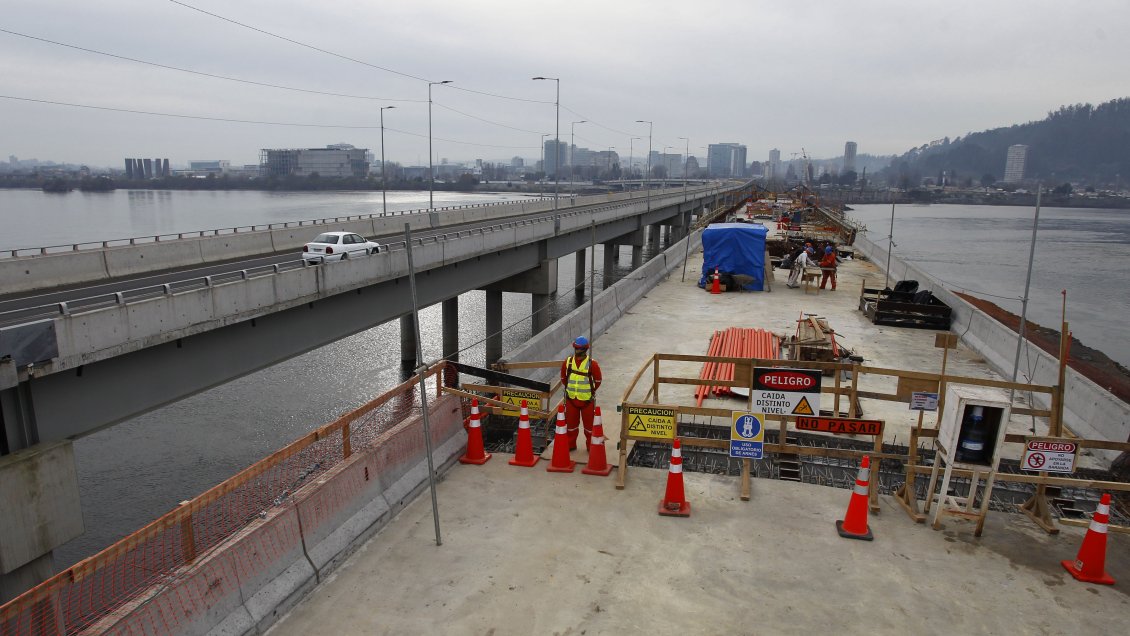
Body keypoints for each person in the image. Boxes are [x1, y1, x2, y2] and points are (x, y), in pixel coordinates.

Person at [560, 336, 602, 450]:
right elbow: (563, 379)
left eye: (580, 349)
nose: (578, 351)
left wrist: (590, 391)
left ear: (585, 350)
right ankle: (571, 445)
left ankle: (590, 446)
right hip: (571, 400)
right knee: (571, 426)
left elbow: (598, 381)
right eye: (577, 349)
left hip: (586, 401)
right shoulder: (567, 363)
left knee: (589, 427)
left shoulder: (592, 364)